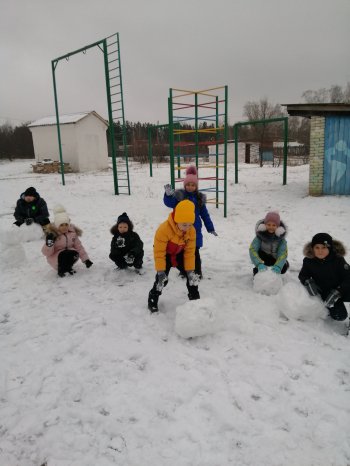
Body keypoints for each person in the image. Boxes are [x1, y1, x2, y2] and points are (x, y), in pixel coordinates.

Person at [163, 165, 217, 278]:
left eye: (193, 185)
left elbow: (205, 215)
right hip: (181, 230)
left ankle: (197, 272)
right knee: (182, 252)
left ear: (196, 186)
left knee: (194, 253)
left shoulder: (199, 198)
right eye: (188, 184)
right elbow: (170, 203)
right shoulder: (179, 196)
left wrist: (210, 227)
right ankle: (184, 271)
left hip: (195, 230)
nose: (190, 187)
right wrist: (168, 195)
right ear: (184, 185)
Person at [148, 200, 201, 313]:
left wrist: (190, 271)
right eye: (184, 224)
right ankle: (153, 298)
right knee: (162, 280)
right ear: (177, 220)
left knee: (191, 277)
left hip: (179, 254)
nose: (187, 227)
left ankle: (195, 298)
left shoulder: (191, 231)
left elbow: (190, 252)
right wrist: (161, 271)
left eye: (190, 224)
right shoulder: (164, 229)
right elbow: (159, 252)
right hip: (165, 255)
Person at [299, 233, 350, 321]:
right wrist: (307, 281)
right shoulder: (309, 261)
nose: (320, 251)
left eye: (324, 247)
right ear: (312, 248)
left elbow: (348, 277)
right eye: (317, 248)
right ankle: (327, 309)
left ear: (329, 248)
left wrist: (338, 291)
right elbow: (303, 275)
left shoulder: (338, 260)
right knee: (340, 316)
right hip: (326, 292)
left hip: (341, 289)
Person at [42, 205, 93, 277]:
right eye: (61, 225)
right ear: (57, 225)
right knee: (64, 254)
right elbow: (46, 253)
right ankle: (61, 270)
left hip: (68, 255)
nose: (64, 227)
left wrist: (86, 260)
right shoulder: (53, 235)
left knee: (74, 253)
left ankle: (68, 268)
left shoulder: (72, 233)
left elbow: (79, 247)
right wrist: (49, 244)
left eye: (66, 224)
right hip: (55, 259)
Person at [249, 211, 289, 275]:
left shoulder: (281, 239)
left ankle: (279, 266)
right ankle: (258, 270)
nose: (271, 227)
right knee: (258, 271)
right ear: (265, 225)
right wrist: (259, 264)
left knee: (283, 268)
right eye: (269, 224)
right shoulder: (260, 236)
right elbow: (253, 249)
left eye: (274, 225)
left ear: (278, 227)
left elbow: (283, 253)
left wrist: (278, 266)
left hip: (274, 258)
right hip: (263, 258)